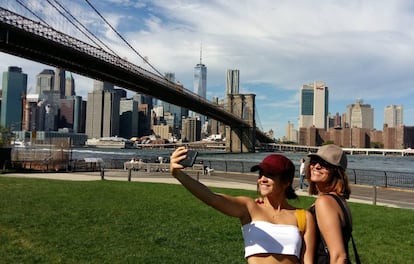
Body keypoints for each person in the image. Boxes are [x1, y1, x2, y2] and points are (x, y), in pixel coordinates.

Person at [170, 146, 315, 264]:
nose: (262, 179)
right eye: (261, 174)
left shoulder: (303, 217)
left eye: (270, 175)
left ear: (286, 182)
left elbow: (307, 261)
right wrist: (179, 175)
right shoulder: (250, 207)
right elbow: (212, 199)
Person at [306, 144, 353, 264]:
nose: (316, 166)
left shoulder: (325, 202)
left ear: (336, 172)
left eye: (324, 164)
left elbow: (338, 256)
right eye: (314, 161)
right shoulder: (338, 200)